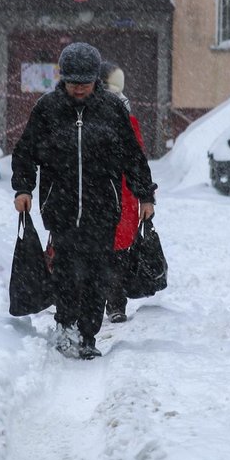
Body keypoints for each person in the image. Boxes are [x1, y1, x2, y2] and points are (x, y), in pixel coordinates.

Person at [11, 42, 156, 360]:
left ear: (96, 81)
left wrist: (145, 194)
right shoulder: (47, 109)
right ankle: (66, 327)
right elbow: (25, 152)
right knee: (65, 271)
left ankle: (87, 336)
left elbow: (133, 157)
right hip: (60, 207)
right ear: (63, 79)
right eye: (73, 83)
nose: (79, 90)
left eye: (85, 84)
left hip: (102, 208)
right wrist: (23, 188)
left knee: (96, 274)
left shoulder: (113, 110)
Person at [101, 61, 144, 324]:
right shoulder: (127, 116)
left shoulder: (87, 112)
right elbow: (138, 156)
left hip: (115, 191)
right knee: (117, 251)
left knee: (105, 250)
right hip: (124, 192)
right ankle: (115, 303)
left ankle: (109, 301)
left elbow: (136, 158)